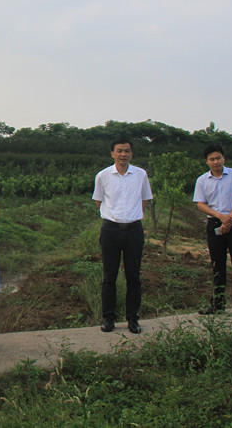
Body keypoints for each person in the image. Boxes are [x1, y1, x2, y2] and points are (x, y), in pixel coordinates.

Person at [92, 138, 153, 334]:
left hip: (134, 231)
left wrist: (133, 216)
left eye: (127, 151)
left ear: (132, 154)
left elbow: (144, 199)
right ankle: (108, 318)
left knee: (133, 276)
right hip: (110, 230)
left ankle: (133, 318)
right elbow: (99, 201)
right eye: (119, 151)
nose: (123, 154)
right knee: (109, 276)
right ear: (112, 154)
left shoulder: (141, 174)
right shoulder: (103, 176)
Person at [193, 145, 232, 318]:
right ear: (207, 161)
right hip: (214, 222)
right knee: (217, 265)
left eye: (218, 158)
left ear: (223, 158)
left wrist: (230, 218)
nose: (216, 162)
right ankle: (217, 305)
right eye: (212, 159)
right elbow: (201, 204)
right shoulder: (202, 180)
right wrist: (220, 217)